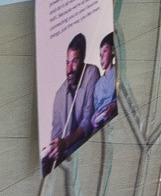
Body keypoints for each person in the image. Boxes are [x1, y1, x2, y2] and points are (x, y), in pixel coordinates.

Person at [43, 33, 98, 173]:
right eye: (67, 62)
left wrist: (66, 143)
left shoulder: (91, 73)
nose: (69, 69)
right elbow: (56, 135)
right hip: (65, 160)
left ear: (83, 59)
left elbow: (88, 121)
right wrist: (52, 149)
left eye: (74, 62)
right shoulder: (59, 95)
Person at [91, 32, 119, 128]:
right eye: (100, 54)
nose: (102, 57)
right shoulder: (98, 84)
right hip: (101, 122)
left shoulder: (118, 71)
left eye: (105, 51)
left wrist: (114, 106)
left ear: (112, 51)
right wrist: (94, 118)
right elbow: (96, 109)